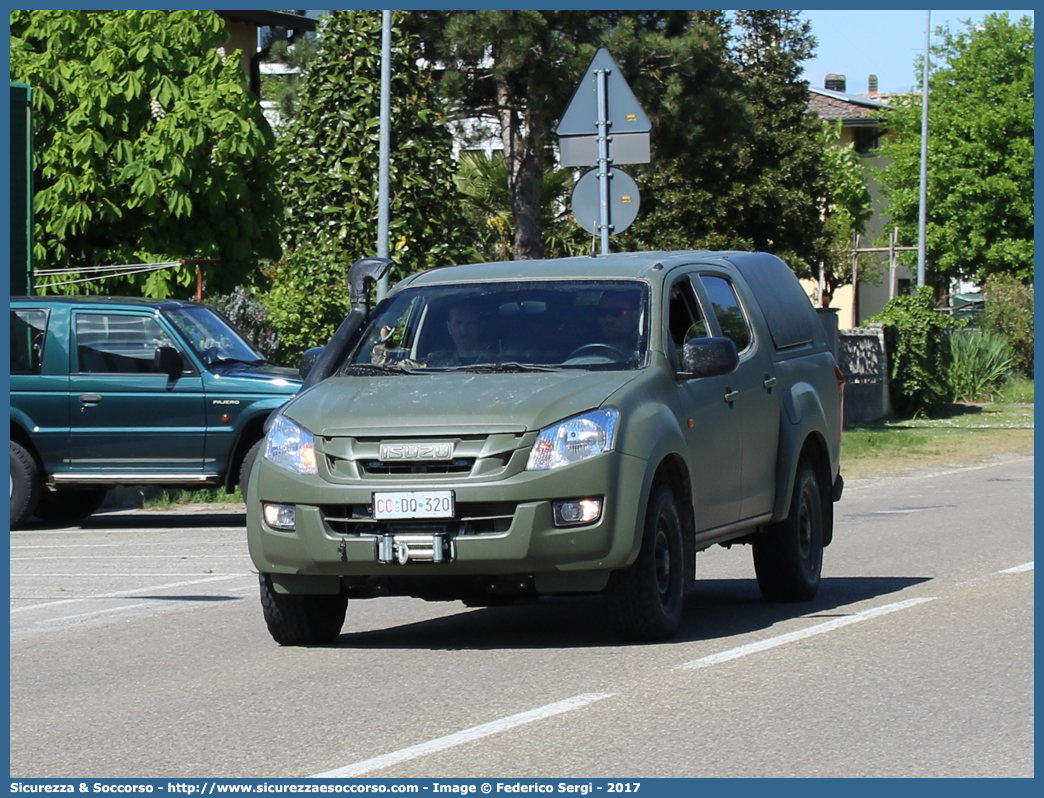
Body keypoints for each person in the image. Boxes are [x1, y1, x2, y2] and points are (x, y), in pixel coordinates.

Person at [426, 302, 493, 366]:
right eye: (458, 324)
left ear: (481, 327)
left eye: (471, 324)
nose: (464, 331)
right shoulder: (436, 362)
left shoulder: (496, 362)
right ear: (449, 328)